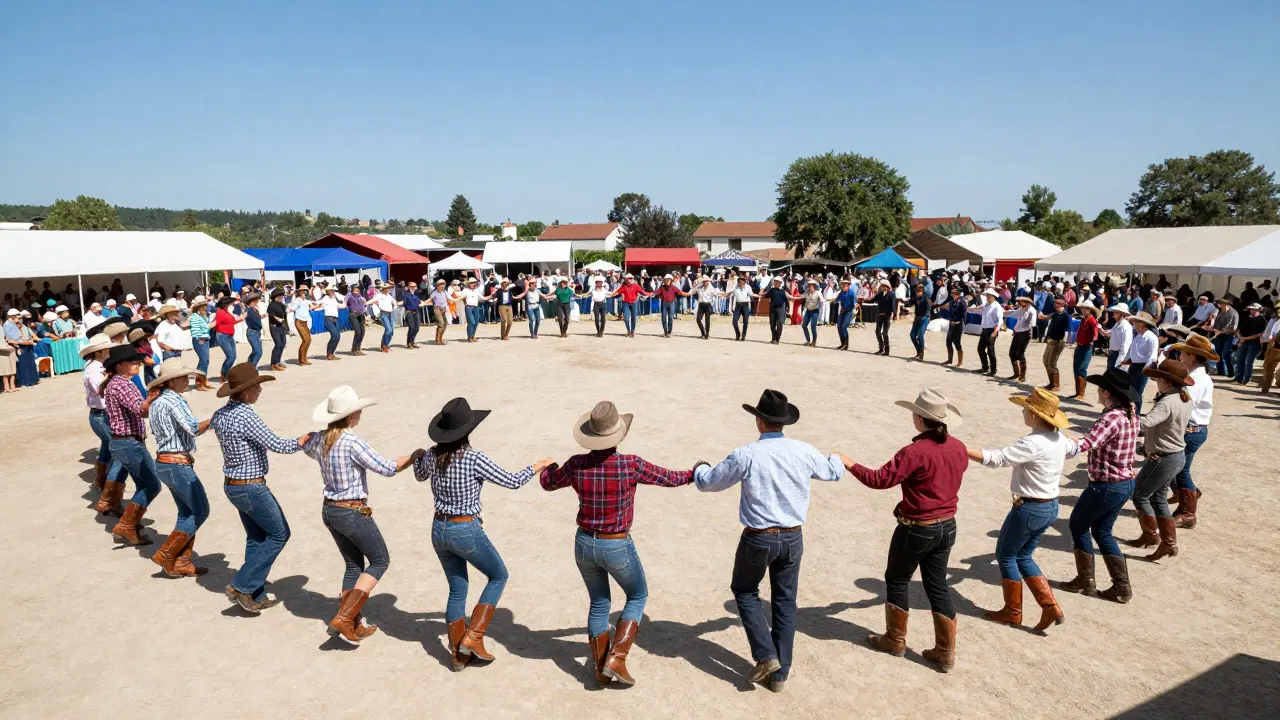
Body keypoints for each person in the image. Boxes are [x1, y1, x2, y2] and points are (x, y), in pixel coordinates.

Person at [693, 390, 843, 692]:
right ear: (783, 422)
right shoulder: (803, 450)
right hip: (792, 537)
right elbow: (833, 472)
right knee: (785, 602)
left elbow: (710, 483)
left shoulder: (746, 453)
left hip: (758, 538)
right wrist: (837, 457)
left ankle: (765, 655)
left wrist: (699, 468)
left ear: (760, 422)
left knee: (745, 591)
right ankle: (780, 675)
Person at [539, 401, 695, 687]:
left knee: (599, 602)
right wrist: (693, 474)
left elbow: (548, 483)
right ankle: (617, 658)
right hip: (616, 543)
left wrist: (548, 467)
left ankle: (601, 670)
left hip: (584, 542)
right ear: (617, 434)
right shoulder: (630, 464)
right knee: (637, 596)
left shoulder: (575, 464)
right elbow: (668, 478)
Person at [414, 397, 552, 669]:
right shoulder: (473, 458)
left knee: (457, 588)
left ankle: (458, 654)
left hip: (438, 528)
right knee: (498, 575)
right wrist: (537, 466)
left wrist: (419, 456)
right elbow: (512, 481)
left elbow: (419, 475)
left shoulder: (432, 454)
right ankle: (473, 637)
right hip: (464, 528)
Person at [843, 388, 967, 672]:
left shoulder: (914, 452)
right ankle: (946, 653)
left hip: (917, 527)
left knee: (897, 579)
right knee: (937, 585)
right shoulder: (958, 447)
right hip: (948, 525)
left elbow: (880, 480)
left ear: (920, 419)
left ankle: (895, 640)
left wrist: (850, 464)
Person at [304, 386, 415, 643]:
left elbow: (305, 444)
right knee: (380, 560)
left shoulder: (319, 439)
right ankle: (345, 617)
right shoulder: (352, 441)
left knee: (353, 565)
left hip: (330, 509)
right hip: (351, 511)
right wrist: (411, 457)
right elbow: (387, 468)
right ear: (351, 415)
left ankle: (351, 621)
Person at [964, 388, 1069, 633]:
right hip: (1050, 505)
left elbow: (998, 458)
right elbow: (1074, 448)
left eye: (1026, 408)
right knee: (1023, 556)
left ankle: (1013, 611)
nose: (1023, 411)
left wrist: (962, 449)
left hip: (1030, 507)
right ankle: (1049, 605)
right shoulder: (1059, 438)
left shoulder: (1033, 442)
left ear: (1034, 415)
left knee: (1006, 555)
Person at [210, 363, 311, 613]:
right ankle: (242, 585)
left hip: (233, 484)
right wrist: (302, 441)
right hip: (251, 486)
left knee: (257, 538)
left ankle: (255, 594)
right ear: (245, 391)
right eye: (257, 387)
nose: (259, 391)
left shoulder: (221, 414)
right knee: (279, 534)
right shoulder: (246, 415)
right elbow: (277, 444)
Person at [1060, 368, 1140, 604]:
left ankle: (1086, 580)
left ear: (1106, 392)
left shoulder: (1111, 417)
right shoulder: (1130, 413)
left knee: (1078, 526)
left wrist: (1059, 440)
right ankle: (1121, 587)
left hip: (1106, 484)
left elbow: (1087, 444)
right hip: (1124, 482)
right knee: (1103, 532)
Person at [143, 358, 212, 577]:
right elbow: (193, 428)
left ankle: (182, 561)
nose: (188, 379)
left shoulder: (159, 401)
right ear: (171, 381)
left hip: (165, 461)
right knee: (200, 511)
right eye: (183, 377)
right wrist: (214, 420)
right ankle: (166, 553)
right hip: (177, 463)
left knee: (186, 512)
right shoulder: (173, 400)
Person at [1126, 359, 1193, 562]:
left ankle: (1153, 536)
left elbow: (1146, 423)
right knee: (1158, 499)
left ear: (1165, 381)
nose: (1155, 381)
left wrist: (1128, 415)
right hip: (1174, 456)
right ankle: (1166, 543)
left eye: (1158, 378)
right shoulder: (1183, 397)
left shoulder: (1167, 402)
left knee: (1139, 495)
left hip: (1163, 458)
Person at [99, 344, 165, 547]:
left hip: (125, 442)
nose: (137, 363)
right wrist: (155, 395)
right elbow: (141, 410)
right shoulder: (122, 384)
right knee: (152, 485)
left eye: (137, 360)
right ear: (120, 366)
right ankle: (126, 525)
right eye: (132, 361)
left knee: (144, 484)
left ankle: (128, 523)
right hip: (129, 442)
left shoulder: (118, 382)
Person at [1166, 335, 1215, 529]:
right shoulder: (1196, 376)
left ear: (1193, 357)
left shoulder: (1196, 379)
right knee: (1177, 470)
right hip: (1192, 429)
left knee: (1180, 471)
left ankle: (1188, 512)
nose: (1180, 356)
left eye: (1183, 353)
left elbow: (1182, 405)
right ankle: (1188, 499)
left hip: (1191, 429)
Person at [82, 336, 127, 511]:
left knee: (107, 448)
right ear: (100, 351)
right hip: (101, 414)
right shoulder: (95, 369)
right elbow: (104, 390)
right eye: (107, 349)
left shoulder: (97, 367)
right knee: (119, 453)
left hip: (101, 414)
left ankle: (102, 484)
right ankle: (110, 497)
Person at [1122, 312, 1158, 412]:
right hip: (1134, 365)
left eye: (1136, 322)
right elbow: (1132, 350)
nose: (1134, 323)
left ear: (1142, 323)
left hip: (1143, 367)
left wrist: (1145, 369)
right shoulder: (1138, 336)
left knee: (1137, 392)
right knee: (1130, 390)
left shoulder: (1151, 337)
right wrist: (1126, 360)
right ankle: (1130, 412)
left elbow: (1152, 356)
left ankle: (1136, 415)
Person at [1069, 301, 1100, 400]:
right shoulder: (1083, 320)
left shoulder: (1092, 320)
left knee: (1082, 368)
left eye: (1084, 308)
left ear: (1089, 309)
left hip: (1087, 347)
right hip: (1080, 345)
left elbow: (1095, 333)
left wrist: (1092, 341)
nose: (1082, 310)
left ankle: (1081, 393)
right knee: (1076, 368)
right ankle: (1078, 392)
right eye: (1082, 308)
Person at [1040, 296, 1070, 392]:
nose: (1055, 305)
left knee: (1052, 363)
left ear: (1062, 305)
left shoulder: (1065, 315)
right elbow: (1046, 317)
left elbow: (1068, 331)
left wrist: (1062, 343)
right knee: (1046, 361)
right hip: (1051, 340)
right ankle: (1051, 383)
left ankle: (1056, 385)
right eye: (1055, 303)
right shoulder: (1056, 314)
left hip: (1058, 341)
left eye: (1057, 304)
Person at [1233, 303, 1267, 386]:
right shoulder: (1246, 319)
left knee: (1248, 361)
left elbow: (1260, 334)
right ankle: (1238, 378)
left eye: (1254, 309)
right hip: (1244, 342)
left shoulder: (1262, 320)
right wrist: (1240, 338)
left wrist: (1244, 338)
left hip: (1255, 343)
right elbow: (1238, 330)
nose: (1252, 311)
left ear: (1259, 310)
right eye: (1251, 309)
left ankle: (1246, 379)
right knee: (1240, 359)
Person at [212, 297, 243, 381]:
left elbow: (231, 322)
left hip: (229, 336)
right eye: (231, 303)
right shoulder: (220, 312)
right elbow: (215, 323)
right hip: (223, 336)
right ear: (227, 304)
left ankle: (225, 374)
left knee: (233, 356)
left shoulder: (226, 311)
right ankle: (223, 374)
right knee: (230, 356)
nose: (233, 305)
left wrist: (241, 319)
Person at [1207, 297, 1238, 377]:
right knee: (1218, 354)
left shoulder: (1233, 313)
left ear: (1226, 305)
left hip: (1228, 336)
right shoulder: (1222, 312)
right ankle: (1221, 372)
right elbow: (1217, 323)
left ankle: (1231, 373)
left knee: (1226, 354)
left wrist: (1221, 331)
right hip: (1219, 336)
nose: (1220, 307)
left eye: (1221, 306)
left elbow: (1233, 328)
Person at [976, 289, 1004, 376]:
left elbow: (1000, 320)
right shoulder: (987, 305)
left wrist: (995, 331)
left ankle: (993, 370)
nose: (987, 297)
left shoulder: (997, 306)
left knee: (990, 350)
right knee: (980, 349)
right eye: (987, 295)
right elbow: (978, 310)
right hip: (985, 329)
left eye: (988, 295)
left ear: (993, 296)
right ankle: (985, 367)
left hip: (992, 330)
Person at [611, 274, 649, 338]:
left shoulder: (636, 286)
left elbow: (643, 292)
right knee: (626, 318)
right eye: (629, 278)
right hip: (626, 303)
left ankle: (632, 331)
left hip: (634, 303)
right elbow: (617, 292)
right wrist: (611, 295)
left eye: (631, 278)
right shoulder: (624, 286)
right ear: (626, 280)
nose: (630, 280)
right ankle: (628, 331)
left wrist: (650, 294)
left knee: (634, 318)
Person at [1007, 296, 1035, 382]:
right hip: (1018, 333)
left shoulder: (1032, 311)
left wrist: (1028, 331)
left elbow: (1032, 324)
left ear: (1026, 302)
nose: (1019, 303)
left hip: (1025, 333)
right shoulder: (1021, 309)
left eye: (1021, 302)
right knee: (1012, 353)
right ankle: (1016, 373)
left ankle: (1022, 376)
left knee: (1020, 354)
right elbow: (1014, 314)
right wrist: (1004, 312)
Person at [289, 287, 318, 365]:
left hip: (305, 322)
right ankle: (301, 360)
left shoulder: (307, 301)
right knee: (305, 340)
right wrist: (290, 309)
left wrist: (318, 306)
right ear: (299, 292)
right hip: (299, 322)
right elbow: (292, 308)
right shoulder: (297, 300)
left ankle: (304, 358)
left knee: (309, 340)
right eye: (302, 291)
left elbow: (311, 308)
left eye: (304, 291)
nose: (304, 293)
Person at [653, 274, 688, 339]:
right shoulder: (662, 287)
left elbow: (679, 292)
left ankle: (669, 332)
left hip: (671, 303)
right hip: (664, 303)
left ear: (671, 280)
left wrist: (687, 294)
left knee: (670, 318)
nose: (668, 281)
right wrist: (650, 294)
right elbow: (656, 292)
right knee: (663, 318)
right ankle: (665, 332)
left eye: (669, 279)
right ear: (664, 280)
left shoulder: (673, 287)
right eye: (667, 280)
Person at [1101, 304, 1133, 373]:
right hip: (1112, 353)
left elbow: (1125, 346)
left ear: (1122, 314)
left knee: (1115, 378)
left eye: (1116, 312)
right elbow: (1110, 333)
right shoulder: (1117, 324)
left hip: (1118, 355)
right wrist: (1101, 330)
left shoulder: (1126, 326)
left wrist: (1120, 361)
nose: (1114, 314)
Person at [942, 286, 967, 367]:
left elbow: (964, 314)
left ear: (958, 294)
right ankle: (950, 359)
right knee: (948, 341)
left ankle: (960, 361)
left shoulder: (962, 302)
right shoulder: (952, 302)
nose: (952, 294)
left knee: (957, 342)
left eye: (954, 293)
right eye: (952, 293)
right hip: (952, 324)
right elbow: (949, 311)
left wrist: (963, 323)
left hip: (958, 325)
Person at [729, 276, 760, 341]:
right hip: (738, 305)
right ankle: (737, 333)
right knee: (734, 321)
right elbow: (731, 296)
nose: (740, 284)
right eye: (739, 282)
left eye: (742, 282)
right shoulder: (736, 288)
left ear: (744, 282)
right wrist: (731, 306)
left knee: (745, 321)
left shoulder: (748, 287)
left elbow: (751, 294)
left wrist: (758, 295)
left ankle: (743, 335)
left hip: (745, 305)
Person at [762, 277, 791, 345]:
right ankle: (773, 338)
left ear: (780, 283)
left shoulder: (784, 291)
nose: (775, 283)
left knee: (779, 324)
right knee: (772, 324)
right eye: (775, 282)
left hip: (780, 308)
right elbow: (766, 295)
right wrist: (760, 294)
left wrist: (788, 309)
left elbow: (788, 299)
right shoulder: (772, 290)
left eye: (777, 282)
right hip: (772, 308)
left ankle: (777, 339)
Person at [266, 289, 289, 371]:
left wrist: (286, 326)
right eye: (278, 296)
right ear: (274, 297)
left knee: (283, 343)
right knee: (278, 344)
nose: (280, 297)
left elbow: (284, 314)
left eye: (281, 296)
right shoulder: (271, 305)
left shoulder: (282, 305)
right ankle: (273, 363)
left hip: (281, 326)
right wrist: (278, 319)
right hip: (274, 326)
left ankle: (278, 361)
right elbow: (271, 315)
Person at [872, 280, 896, 355]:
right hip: (880, 315)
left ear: (888, 287)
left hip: (887, 315)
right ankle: (881, 348)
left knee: (885, 333)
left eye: (884, 286)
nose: (883, 287)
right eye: (882, 286)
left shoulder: (891, 294)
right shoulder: (879, 294)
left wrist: (893, 314)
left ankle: (887, 350)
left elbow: (893, 305)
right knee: (877, 331)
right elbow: (872, 300)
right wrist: (862, 299)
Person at [1260, 309, 1280, 393]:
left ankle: (1265, 389)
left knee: (1268, 368)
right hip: (1275, 348)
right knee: (1268, 368)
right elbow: (1272, 337)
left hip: (1275, 348)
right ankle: (1265, 389)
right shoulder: (1277, 322)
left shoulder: (1277, 322)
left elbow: (1272, 337)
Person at [834, 278, 858, 351]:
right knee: (839, 327)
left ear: (849, 285)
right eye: (843, 284)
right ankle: (842, 343)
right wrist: (828, 300)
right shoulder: (842, 292)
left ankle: (846, 345)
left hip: (849, 311)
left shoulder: (851, 292)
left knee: (844, 327)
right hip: (842, 311)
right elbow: (837, 299)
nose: (844, 285)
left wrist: (855, 305)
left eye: (846, 284)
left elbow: (855, 302)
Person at [799, 280, 824, 348]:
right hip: (808, 311)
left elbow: (822, 299)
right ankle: (808, 340)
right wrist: (792, 297)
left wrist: (822, 300)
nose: (810, 286)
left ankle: (814, 340)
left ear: (814, 286)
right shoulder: (807, 293)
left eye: (811, 285)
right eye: (809, 285)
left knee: (813, 326)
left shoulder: (818, 293)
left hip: (815, 311)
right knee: (804, 325)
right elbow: (800, 296)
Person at [243, 293, 264, 369]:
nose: (256, 303)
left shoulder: (254, 309)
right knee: (258, 352)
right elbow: (244, 316)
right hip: (252, 332)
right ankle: (252, 368)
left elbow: (257, 319)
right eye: (255, 301)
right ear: (251, 301)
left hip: (257, 332)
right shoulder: (248, 309)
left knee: (256, 351)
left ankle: (249, 365)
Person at [402, 281, 422, 348]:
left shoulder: (415, 295)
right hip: (409, 312)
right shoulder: (406, 294)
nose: (415, 287)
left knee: (417, 328)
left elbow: (419, 302)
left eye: (415, 286)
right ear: (409, 287)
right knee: (411, 328)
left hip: (416, 312)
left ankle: (412, 341)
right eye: (413, 286)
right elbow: (405, 303)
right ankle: (409, 343)